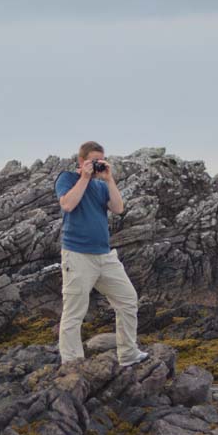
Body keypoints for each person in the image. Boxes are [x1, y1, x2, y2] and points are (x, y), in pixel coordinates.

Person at [53, 141, 149, 367]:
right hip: (77, 255)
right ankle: (72, 363)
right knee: (74, 312)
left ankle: (128, 353)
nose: (97, 164)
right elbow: (67, 205)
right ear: (81, 160)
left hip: (105, 256)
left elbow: (118, 208)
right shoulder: (67, 178)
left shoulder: (101, 186)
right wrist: (85, 178)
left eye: (101, 160)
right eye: (93, 161)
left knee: (128, 299)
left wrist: (109, 179)